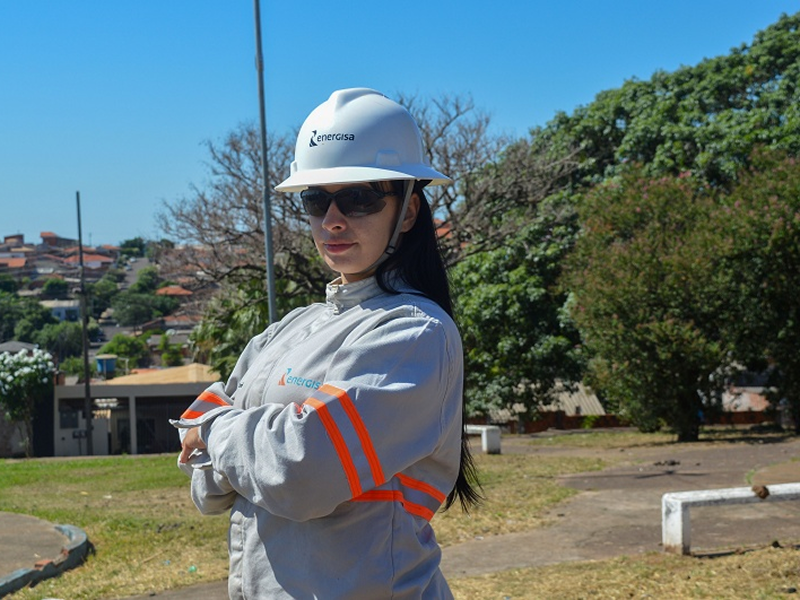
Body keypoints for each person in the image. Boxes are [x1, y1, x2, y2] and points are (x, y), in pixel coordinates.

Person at [173, 87, 481, 599]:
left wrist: (215, 430)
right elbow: (206, 490)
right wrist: (246, 443)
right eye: (317, 200)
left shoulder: (413, 332)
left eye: (359, 198)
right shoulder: (288, 330)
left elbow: (300, 473)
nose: (333, 220)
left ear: (406, 210)